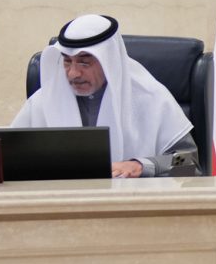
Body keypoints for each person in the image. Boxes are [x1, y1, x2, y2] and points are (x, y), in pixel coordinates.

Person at [12, 14, 197, 177]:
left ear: (109, 61)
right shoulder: (42, 101)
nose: (73, 74)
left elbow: (189, 163)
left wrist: (141, 166)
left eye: (84, 63)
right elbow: (8, 160)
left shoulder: (152, 98)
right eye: (67, 62)